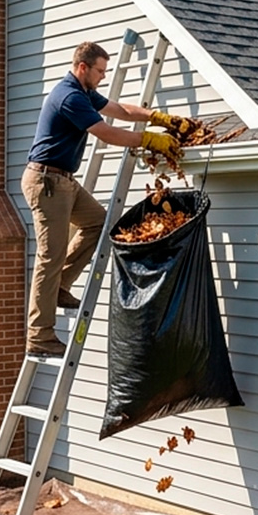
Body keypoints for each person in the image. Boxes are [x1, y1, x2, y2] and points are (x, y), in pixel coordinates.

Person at [21, 40, 185, 357]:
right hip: (47, 182)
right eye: (100, 71)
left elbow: (120, 111)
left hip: (63, 180)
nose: (103, 76)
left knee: (100, 223)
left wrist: (157, 118)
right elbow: (106, 132)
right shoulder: (69, 96)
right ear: (82, 67)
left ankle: (60, 287)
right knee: (50, 257)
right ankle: (40, 336)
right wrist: (148, 140)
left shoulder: (83, 92)